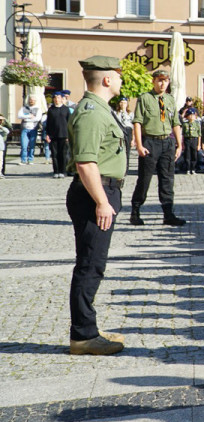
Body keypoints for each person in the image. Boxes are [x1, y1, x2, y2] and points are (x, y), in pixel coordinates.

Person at [65, 55, 128, 356]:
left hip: (101, 191)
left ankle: (87, 328)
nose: (121, 80)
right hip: (95, 193)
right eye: (118, 75)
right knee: (90, 265)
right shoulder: (91, 112)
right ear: (107, 79)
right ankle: (83, 336)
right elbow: (86, 163)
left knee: (93, 263)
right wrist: (102, 201)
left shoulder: (100, 109)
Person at [130, 70, 185, 226]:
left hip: (167, 142)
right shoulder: (145, 98)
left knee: (167, 180)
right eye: (160, 80)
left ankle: (168, 214)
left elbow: (176, 123)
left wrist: (179, 144)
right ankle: (135, 212)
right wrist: (139, 145)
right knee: (144, 179)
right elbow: (137, 123)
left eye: (165, 81)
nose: (163, 84)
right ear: (153, 81)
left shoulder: (170, 99)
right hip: (150, 142)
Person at [45, 91, 72, 178]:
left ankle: (63, 171)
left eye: (58, 98)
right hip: (53, 135)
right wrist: (47, 134)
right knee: (54, 154)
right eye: (55, 98)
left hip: (64, 135)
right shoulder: (51, 110)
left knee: (63, 154)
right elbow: (48, 123)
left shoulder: (66, 109)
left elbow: (69, 123)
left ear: (61, 99)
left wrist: (69, 135)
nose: (56, 99)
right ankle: (56, 171)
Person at [18, 95, 43, 165]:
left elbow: (37, 118)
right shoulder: (24, 108)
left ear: (35, 101)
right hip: (24, 129)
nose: (31, 101)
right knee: (24, 145)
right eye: (30, 99)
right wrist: (29, 116)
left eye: (33, 100)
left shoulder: (38, 109)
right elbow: (19, 116)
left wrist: (26, 118)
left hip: (33, 129)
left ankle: (30, 159)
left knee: (32, 146)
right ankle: (23, 160)